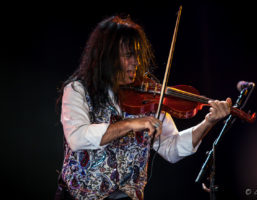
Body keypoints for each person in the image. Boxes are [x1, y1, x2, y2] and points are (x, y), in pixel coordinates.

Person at [55, 15, 232, 200]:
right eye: (129, 55)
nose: (136, 62)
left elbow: (172, 149)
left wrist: (208, 122)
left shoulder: (147, 99)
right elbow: (77, 137)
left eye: (137, 55)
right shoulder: (78, 90)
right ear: (107, 56)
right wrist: (131, 124)